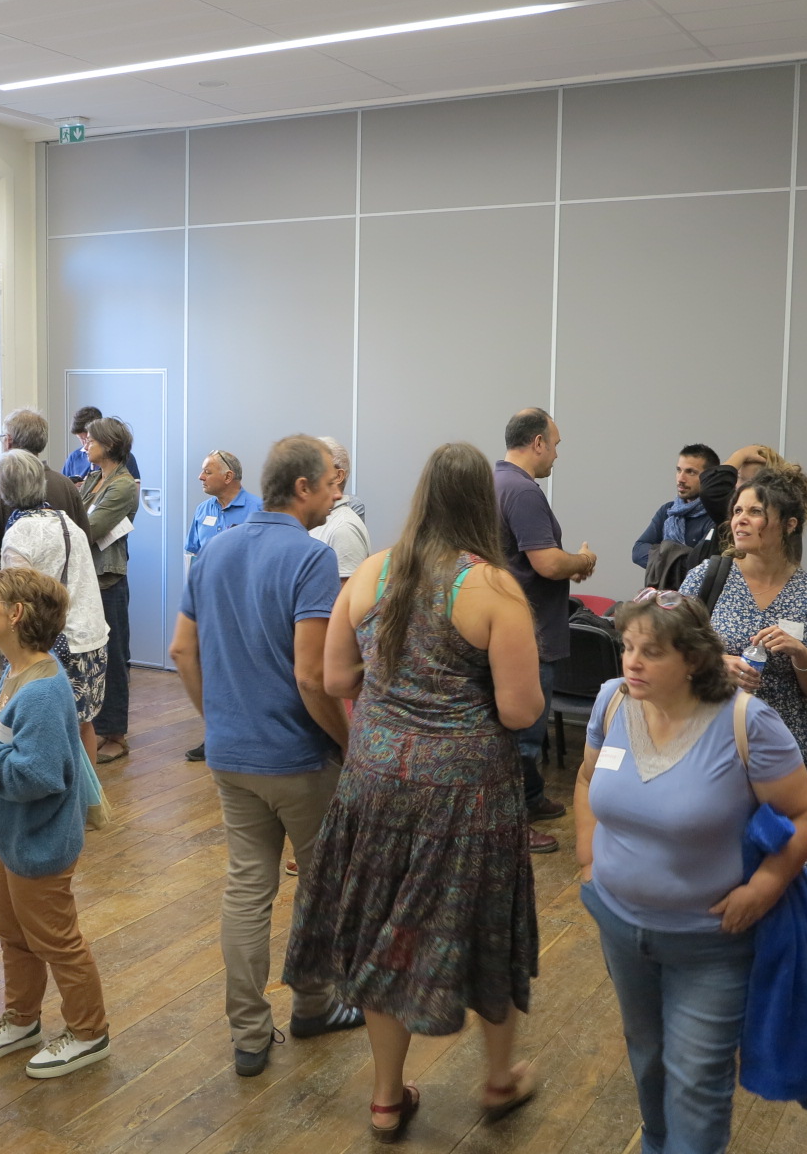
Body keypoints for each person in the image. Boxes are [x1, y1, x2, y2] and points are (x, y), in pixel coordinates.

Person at [285, 442, 543, 1140]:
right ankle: (497, 1079)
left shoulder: (372, 573)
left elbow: (338, 680)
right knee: (487, 932)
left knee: (383, 933)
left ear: (422, 497)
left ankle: (385, 1096)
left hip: (374, 783)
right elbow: (520, 711)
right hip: (467, 796)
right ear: (480, 507)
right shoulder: (490, 588)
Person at [574, 591, 807, 1154]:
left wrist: (763, 887)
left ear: (692, 659)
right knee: (648, 1056)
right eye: (628, 647)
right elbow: (589, 781)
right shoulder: (613, 701)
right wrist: (588, 860)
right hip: (619, 924)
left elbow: (806, 815)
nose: (632, 662)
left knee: (697, 1079)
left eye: (652, 652)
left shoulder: (746, 722)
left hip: (710, 941)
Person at [168, 435, 365, 1077]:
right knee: (317, 886)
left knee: (248, 888)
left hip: (232, 755)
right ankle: (313, 1005)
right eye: (330, 485)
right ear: (303, 488)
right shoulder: (310, 559)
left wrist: (216, 717)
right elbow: (313, 677)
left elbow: (180, 651)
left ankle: (250, 1036)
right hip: (299, 758)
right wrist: (347, 744)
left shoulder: (213, 551)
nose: (336, 495)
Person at [0, 567, 110, 1078]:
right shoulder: (14, 671)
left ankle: (89, 1032)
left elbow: (38, 775)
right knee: (11, 931)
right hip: (7, 833)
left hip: (37, 838)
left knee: (55, 938)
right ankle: (22, 1019)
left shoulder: (42, 690)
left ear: (15, 614)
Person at [681, 464, 807, 792]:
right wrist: (717, 663)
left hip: (782, 742)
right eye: (737, 510)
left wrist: (801, 654)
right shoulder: (707, 576)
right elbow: (671, 653)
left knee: (777, 838)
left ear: (789, 525)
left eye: (755, 511)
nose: (740, 519)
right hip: (710, 734)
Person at [493, 407, 595, 854]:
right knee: (525, 736)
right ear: (537, 442)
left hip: (510, 628)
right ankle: (513, 823)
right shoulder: (524, 491)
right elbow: (548, 563)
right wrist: (583, 561)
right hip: (529, 636)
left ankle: (531, 799)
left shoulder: (494, 482)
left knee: (518, 734)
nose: (556, 454)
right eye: (555, 444)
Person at [0, 450, 110, 764]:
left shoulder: (19, 534)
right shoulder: (67, 522)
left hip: (50, 644)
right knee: (83, 723)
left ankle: (58, 802)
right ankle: (88, 801)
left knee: (46, 729)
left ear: (5, 491)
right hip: (91, 636)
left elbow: (16, 603)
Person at [182, 447, 260, 762]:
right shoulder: (203, 510)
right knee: (210, 670)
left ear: (228, 477)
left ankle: (251, 736)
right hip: (207, 606)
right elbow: (193, 555)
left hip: (243, 609)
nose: (201, 477)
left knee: (243, 672)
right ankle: (216, 734)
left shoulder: (257, 509)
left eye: (207, 471)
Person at [0, 409, 88, 598]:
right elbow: (83, 542)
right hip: (63, 600)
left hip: (13, 602)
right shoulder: (66, 485)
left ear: (9, 441)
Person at [77, 415, 139, 763]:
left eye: (92, 440)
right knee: (94, 658)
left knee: (113, 658)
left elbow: (90, 526)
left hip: (108, 581)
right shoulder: (95, 477)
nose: (86, 444)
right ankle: (100, 729)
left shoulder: (123, 485)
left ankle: (116, 734)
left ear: (110, 446)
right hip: (90, 578)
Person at [631, 443, 720, 568]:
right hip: (661, 587)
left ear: (709, 477)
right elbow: (638, 551)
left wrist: (662, 554)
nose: (681, 479)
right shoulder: (668, 510)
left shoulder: (715, 516)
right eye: (679, 470)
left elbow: (697, 564)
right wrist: (677, 559)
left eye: (691, 472)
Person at [309, 436, 370, 583]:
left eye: (313, 466)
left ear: (338, 476)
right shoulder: (317, 521)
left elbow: (345, 599)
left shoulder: (343, 529)